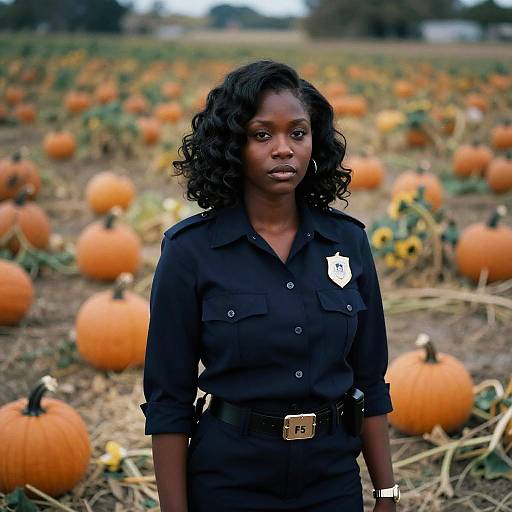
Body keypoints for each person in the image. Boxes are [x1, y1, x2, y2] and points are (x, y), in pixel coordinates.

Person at [140, 60, 398, 512]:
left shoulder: (349, 242)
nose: (284, 149)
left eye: (297, 133)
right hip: (228, 480)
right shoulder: (190, 251)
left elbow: (370, 380)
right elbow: (168, 399)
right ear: (232, 146)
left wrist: (387, 493)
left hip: (330, 478)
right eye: (262, 135)